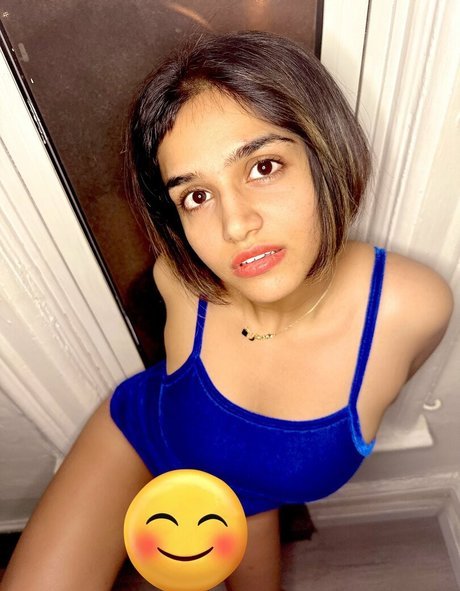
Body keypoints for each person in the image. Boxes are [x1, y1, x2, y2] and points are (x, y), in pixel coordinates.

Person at [2, 31, 453, 591]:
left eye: (263, 166)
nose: (236, 225)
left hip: (250, 497)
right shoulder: (178, 280)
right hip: (142, 437)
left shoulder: (412, 306)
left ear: (324, 154)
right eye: (196, 195)